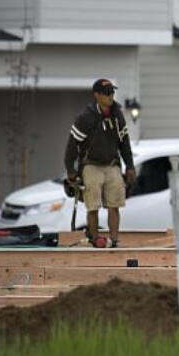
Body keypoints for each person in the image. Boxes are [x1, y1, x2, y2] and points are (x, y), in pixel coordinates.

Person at [64, 78, 136, 248]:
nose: (111, 96)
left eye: (112, 92)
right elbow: (72, 145)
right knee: (93, 204)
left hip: (112, 164)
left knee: (114, 203)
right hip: (91, 164)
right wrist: (70, 169)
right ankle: (95, 238)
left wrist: (130, 165)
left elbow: (124, 142)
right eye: (106, 93)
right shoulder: (85, 118)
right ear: (96, 95)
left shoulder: (117, 115)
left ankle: (114, 239)